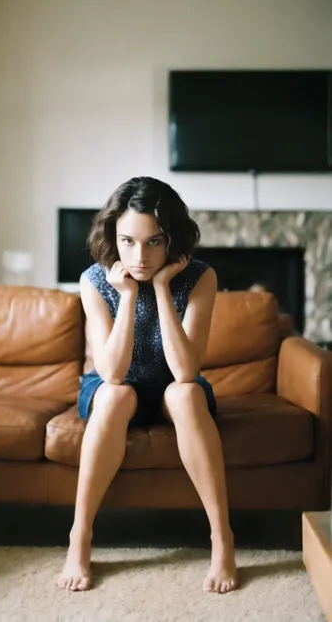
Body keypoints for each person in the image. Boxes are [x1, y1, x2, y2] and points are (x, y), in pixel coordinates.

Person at [58, 176, 238, 594]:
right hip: (113, 387)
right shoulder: (95, 280)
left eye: (153, 242)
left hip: (173, 386)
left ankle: (222, 539)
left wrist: (159, 288)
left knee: (187, 393)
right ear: (113, 237)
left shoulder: (199, 277)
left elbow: (186, 370)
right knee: (116, 394)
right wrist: (127, 296)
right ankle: (79, 538)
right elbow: (113, 373)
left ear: (171, 239)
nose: (139, 256)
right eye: (127, 241)